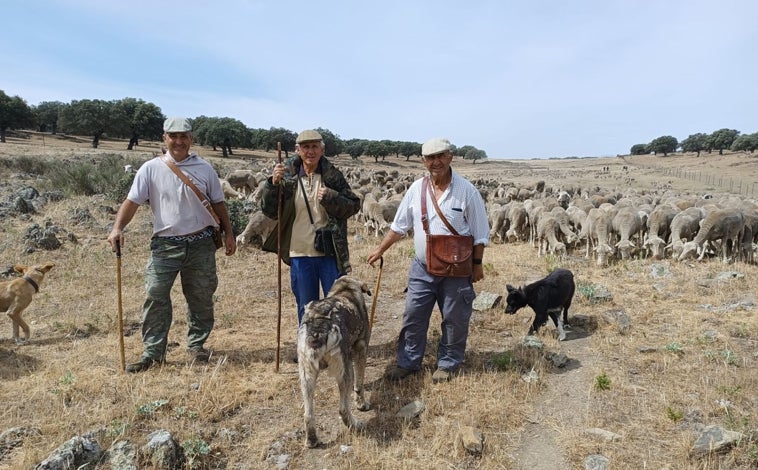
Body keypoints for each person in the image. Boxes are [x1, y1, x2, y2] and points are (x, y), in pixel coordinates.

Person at [107, 117, 237, 373]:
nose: (178, 141)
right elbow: (132, 201)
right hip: (165, 245)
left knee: (201, 296)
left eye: (184, 136)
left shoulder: (205, 168)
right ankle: (153, 353)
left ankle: (197, 345)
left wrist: (229, 234)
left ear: (191, 138)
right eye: (173, 136)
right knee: (155, 294)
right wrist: (117, 228)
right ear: (164, 138)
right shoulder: (150, 169)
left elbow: (219, 204)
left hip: (201, 243)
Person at [366, 137, 489, 383]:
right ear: (423, 161)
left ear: (450, 157)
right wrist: (381, 249)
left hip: (456, 271)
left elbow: (480, 234)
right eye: (431, 158)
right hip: (422, 268)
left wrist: (476, 266)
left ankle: (447, 363)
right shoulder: (415, 190)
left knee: (455, 318)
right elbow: (399, 226)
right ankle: (408, 362)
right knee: (414, 314)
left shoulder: (467, 191)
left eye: (441, 156)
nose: (436, 162)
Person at [261, 129, 360, 325]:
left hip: (329, 253)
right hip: (299, 253)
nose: (310, 151)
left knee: (335, 305)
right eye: (306, 147)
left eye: (315, 146)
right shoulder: (287, 177)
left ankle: (335, 349)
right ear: (298, 150)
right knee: (306, 307)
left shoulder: (332, 176)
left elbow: (353, 206)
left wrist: (332, 197)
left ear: (322, 150)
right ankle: (307, 349)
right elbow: (270, 211)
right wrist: (272, 184)